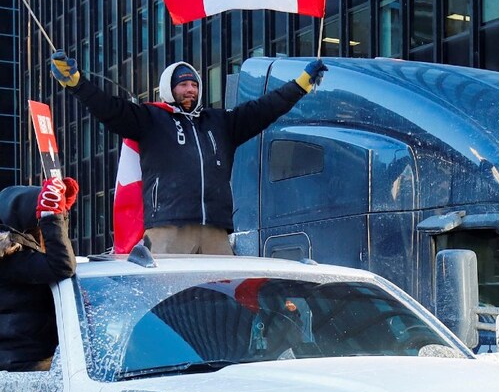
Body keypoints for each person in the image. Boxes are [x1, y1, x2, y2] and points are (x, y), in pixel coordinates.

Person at [50, 52, 328, 254]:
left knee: (224, 297)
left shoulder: (220, 123)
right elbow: (109, 108)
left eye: (194, 84)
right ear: (169, 88)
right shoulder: (149, 119)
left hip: (216, 231)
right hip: (168, 227)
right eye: (183, 84)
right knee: (165, 300)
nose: (190, 89)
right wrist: (76, 83)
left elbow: (265, 108)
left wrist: (301, 84)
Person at [0, 178, 79, 372]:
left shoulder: (20, 252)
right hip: (23, 368)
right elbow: (62, 266)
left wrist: (59, 216)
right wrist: (52, 217)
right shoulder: (10, 256)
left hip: (23, 364)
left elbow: (58, 256)